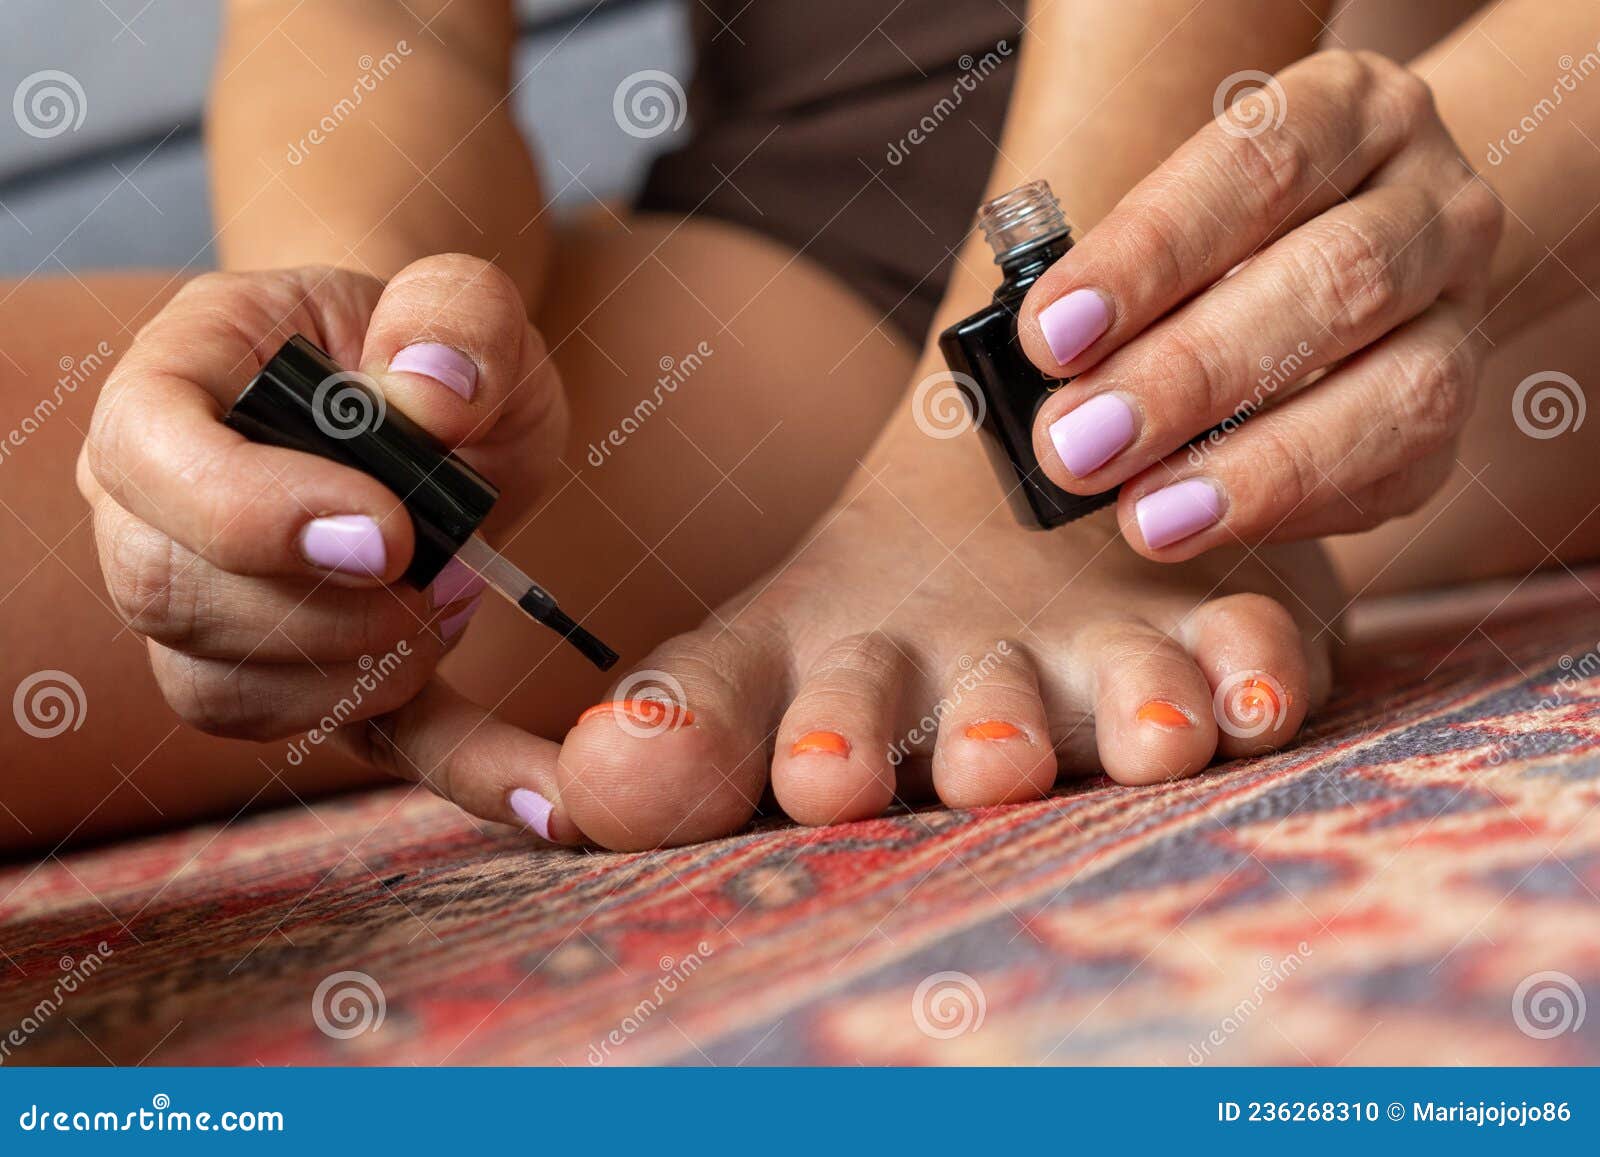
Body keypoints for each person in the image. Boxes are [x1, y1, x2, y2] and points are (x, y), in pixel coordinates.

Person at [4, 0, 1596, 854]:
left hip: (1392, 96)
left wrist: (992, 470)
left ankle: (1255, 418)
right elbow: (382, 23)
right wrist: (374, 360)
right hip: (808, 231)